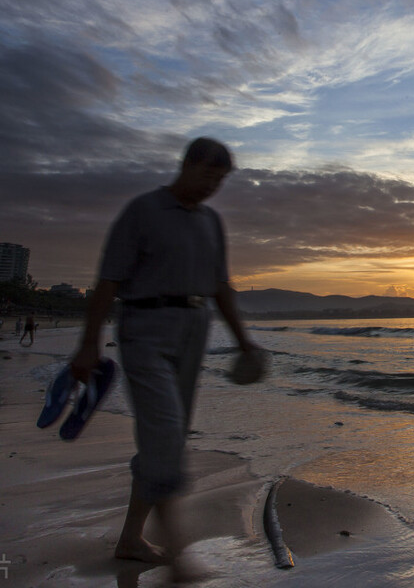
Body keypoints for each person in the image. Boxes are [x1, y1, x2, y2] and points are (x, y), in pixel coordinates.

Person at [69, 137, 259, 581]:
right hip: (144, 327)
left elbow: (221, 288)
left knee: (163, 440)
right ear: (187, 165)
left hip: (195, 328)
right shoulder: (142, 211)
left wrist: (245, 343)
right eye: (208, 176)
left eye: (221, 181)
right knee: (166, 433)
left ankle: (131, 539)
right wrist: (88, 343)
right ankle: (178, 556)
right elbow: (108, 281)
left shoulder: (212, 222)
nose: (213, 187)